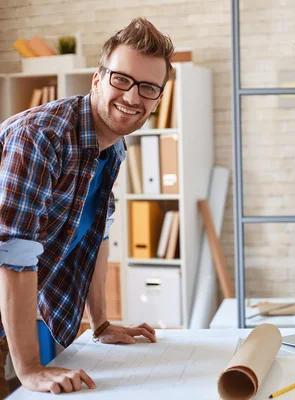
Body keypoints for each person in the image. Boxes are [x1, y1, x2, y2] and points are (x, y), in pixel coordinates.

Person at [0, 18, 174, 396]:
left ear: (158, 98)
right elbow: (13, 252)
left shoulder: (112, 148)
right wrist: (29, 368)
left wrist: (101, 325)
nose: (132, 98)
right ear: (97, 79)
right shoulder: (40, 137)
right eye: (121, 79)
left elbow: (97, 233)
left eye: (148, 88)